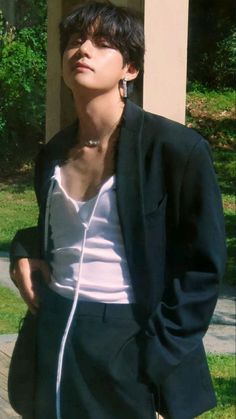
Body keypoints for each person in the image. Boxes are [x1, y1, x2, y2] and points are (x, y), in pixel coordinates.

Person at [10, 1, 226, 418]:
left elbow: (203, 267)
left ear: (130, 69)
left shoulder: (175, 151)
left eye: (102, 42)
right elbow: (60, 230)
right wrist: (24, 249)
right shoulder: (52, 155)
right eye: (75, 41)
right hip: (54, 330)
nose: (83, 49)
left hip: (128, 340)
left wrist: (156, 356)